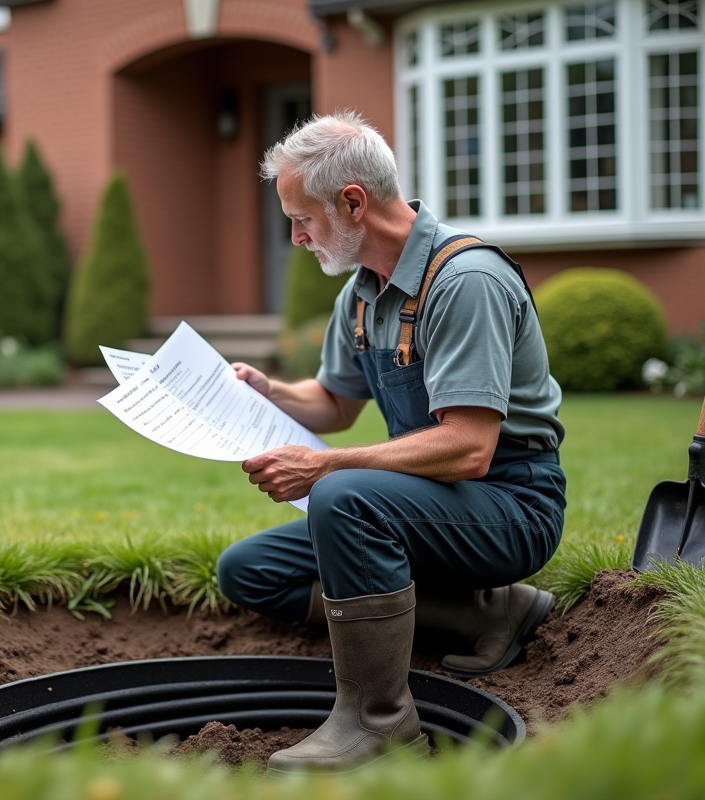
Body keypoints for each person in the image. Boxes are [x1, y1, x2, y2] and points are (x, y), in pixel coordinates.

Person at [216, 110, 566, 774]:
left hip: (510, 506)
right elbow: (337, 404)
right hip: (431, 500)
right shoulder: (363, 293)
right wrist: (266, 391)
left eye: (302, 219)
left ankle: (379, 722)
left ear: (353, 201)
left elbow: (469, 447)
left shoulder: (465, 281)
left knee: (342, 497)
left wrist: (324, 468)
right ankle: (489, 616)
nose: (294, 237)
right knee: (250, 571)